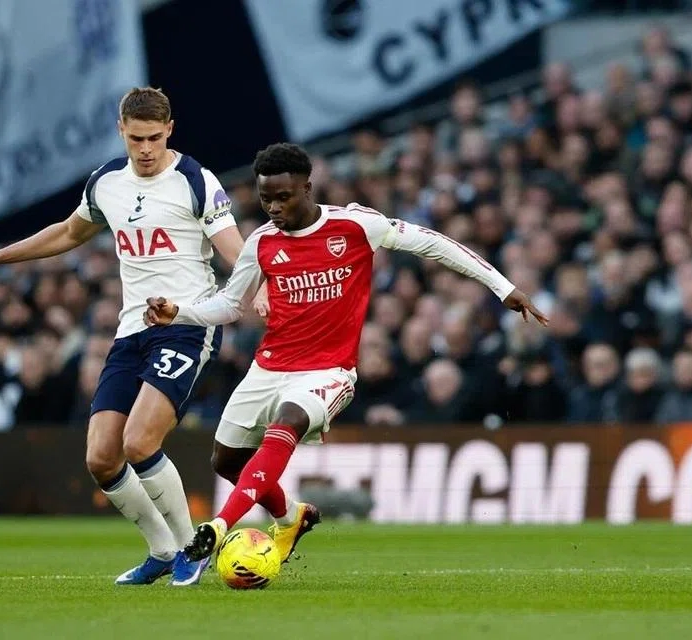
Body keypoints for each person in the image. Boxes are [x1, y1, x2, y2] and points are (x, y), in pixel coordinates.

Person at [144, 143, 547, 562]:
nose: (274, 208)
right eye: (266, 199)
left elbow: (434, 244)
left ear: (307, 188)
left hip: (329, 371)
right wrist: (179, 313)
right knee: (226, 461)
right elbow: (231, 303)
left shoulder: (356, 226)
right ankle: (290, 519)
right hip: (270, 366)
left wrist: (503, 288)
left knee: (290, 419)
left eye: (284, 197)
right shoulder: (261, 242)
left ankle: (217, 527)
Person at [0, 87, 262, 586]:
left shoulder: (195, 181)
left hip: (185, 327)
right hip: (131, 331)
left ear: (170, 131)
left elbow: (233, 247)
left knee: (139, 442)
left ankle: (191, 547)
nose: (145, 149)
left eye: (154, 138)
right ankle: (161, 549)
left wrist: (256, 288)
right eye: (136, 138)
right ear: (121, 130)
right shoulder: (106, 183)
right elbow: (68, 233)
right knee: (100, 458)